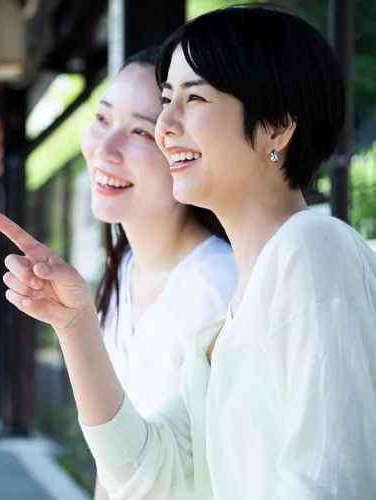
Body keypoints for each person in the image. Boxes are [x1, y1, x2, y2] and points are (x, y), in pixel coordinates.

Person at [0, 6, 376, 499]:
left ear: (278, 127)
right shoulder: (221, 332)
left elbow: (329, 486)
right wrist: (75, 323)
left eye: (193, 98)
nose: (166, 124)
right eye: (167, 99)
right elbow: (146, 474)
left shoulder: (313, 247)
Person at [78, 47, 237, 500]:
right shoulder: (123, 271)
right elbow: (111, 466)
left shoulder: (218, 287)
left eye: (141, 133)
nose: (105, 150)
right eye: (103, 119)